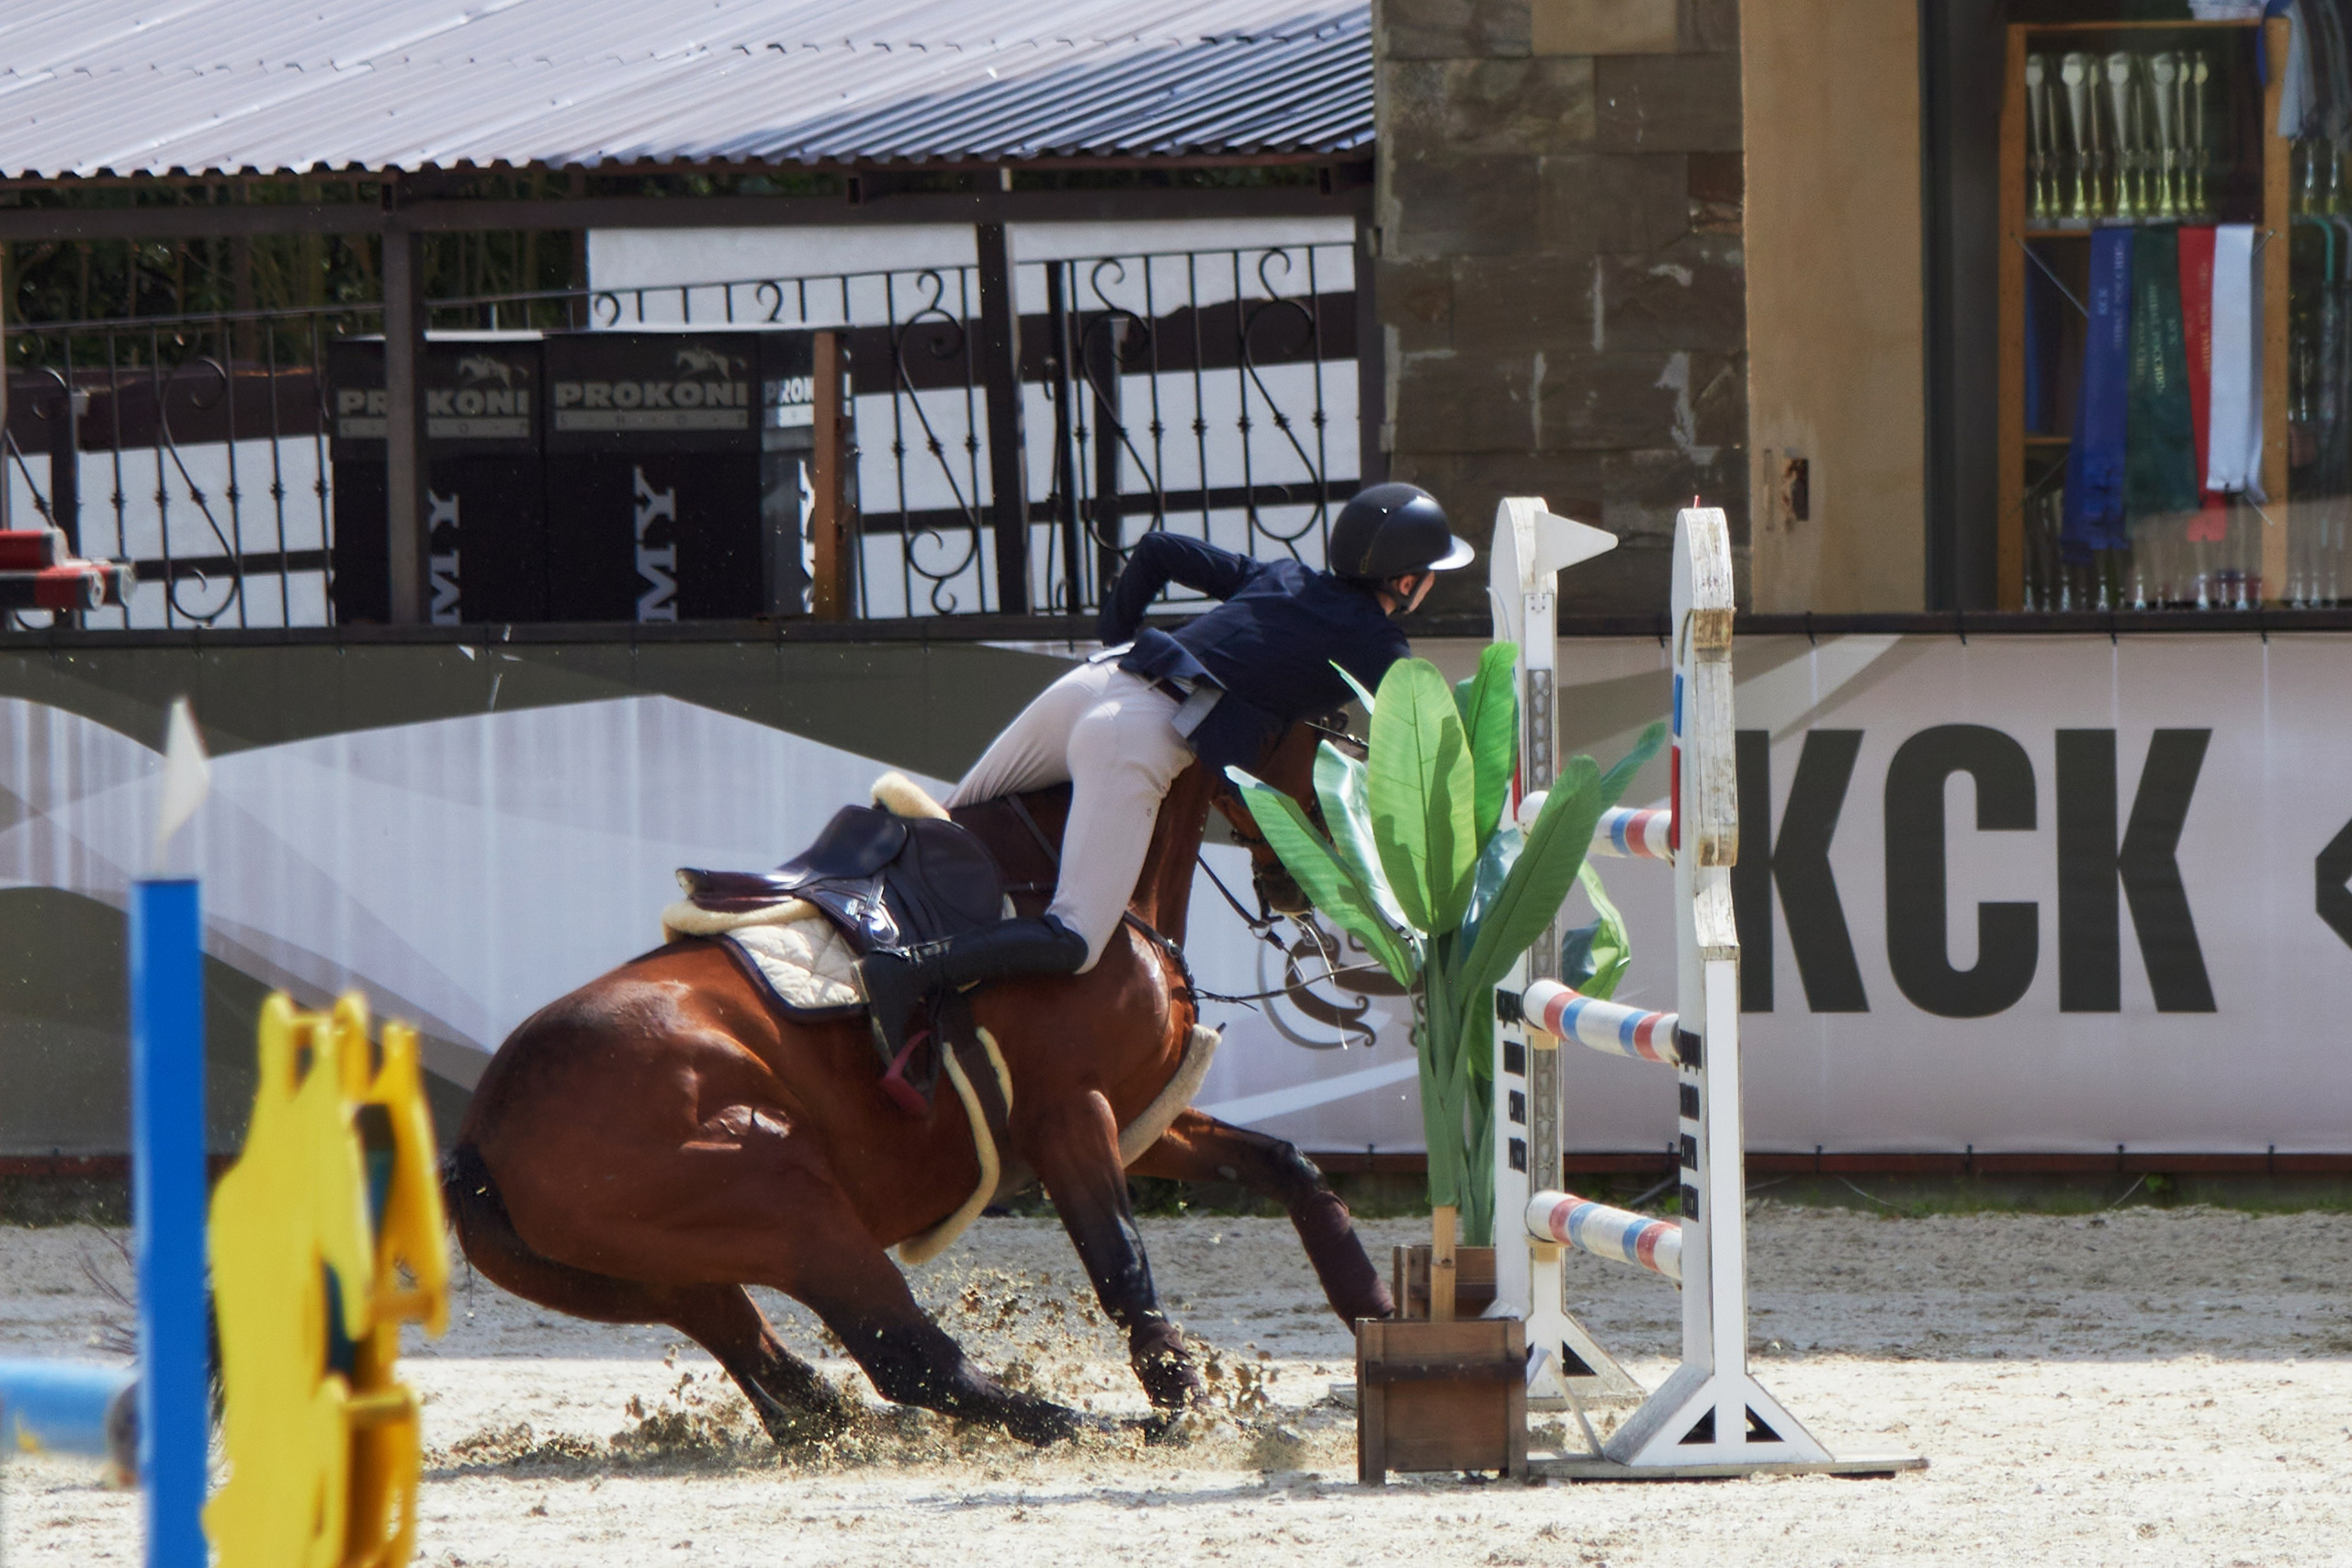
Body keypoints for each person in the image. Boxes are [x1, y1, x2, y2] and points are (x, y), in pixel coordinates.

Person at [854, 482, 1476, 1066]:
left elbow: (1157, 550)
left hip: (1100, 677)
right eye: (1430, 574)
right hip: (1139, 736)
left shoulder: (1285, 576)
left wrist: (1117, 638)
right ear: (1405, 581)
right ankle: (902, 972)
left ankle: (849, 917)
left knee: (943, 830)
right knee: (1075, 939)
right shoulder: (1381, 646)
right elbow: (1421, 758)